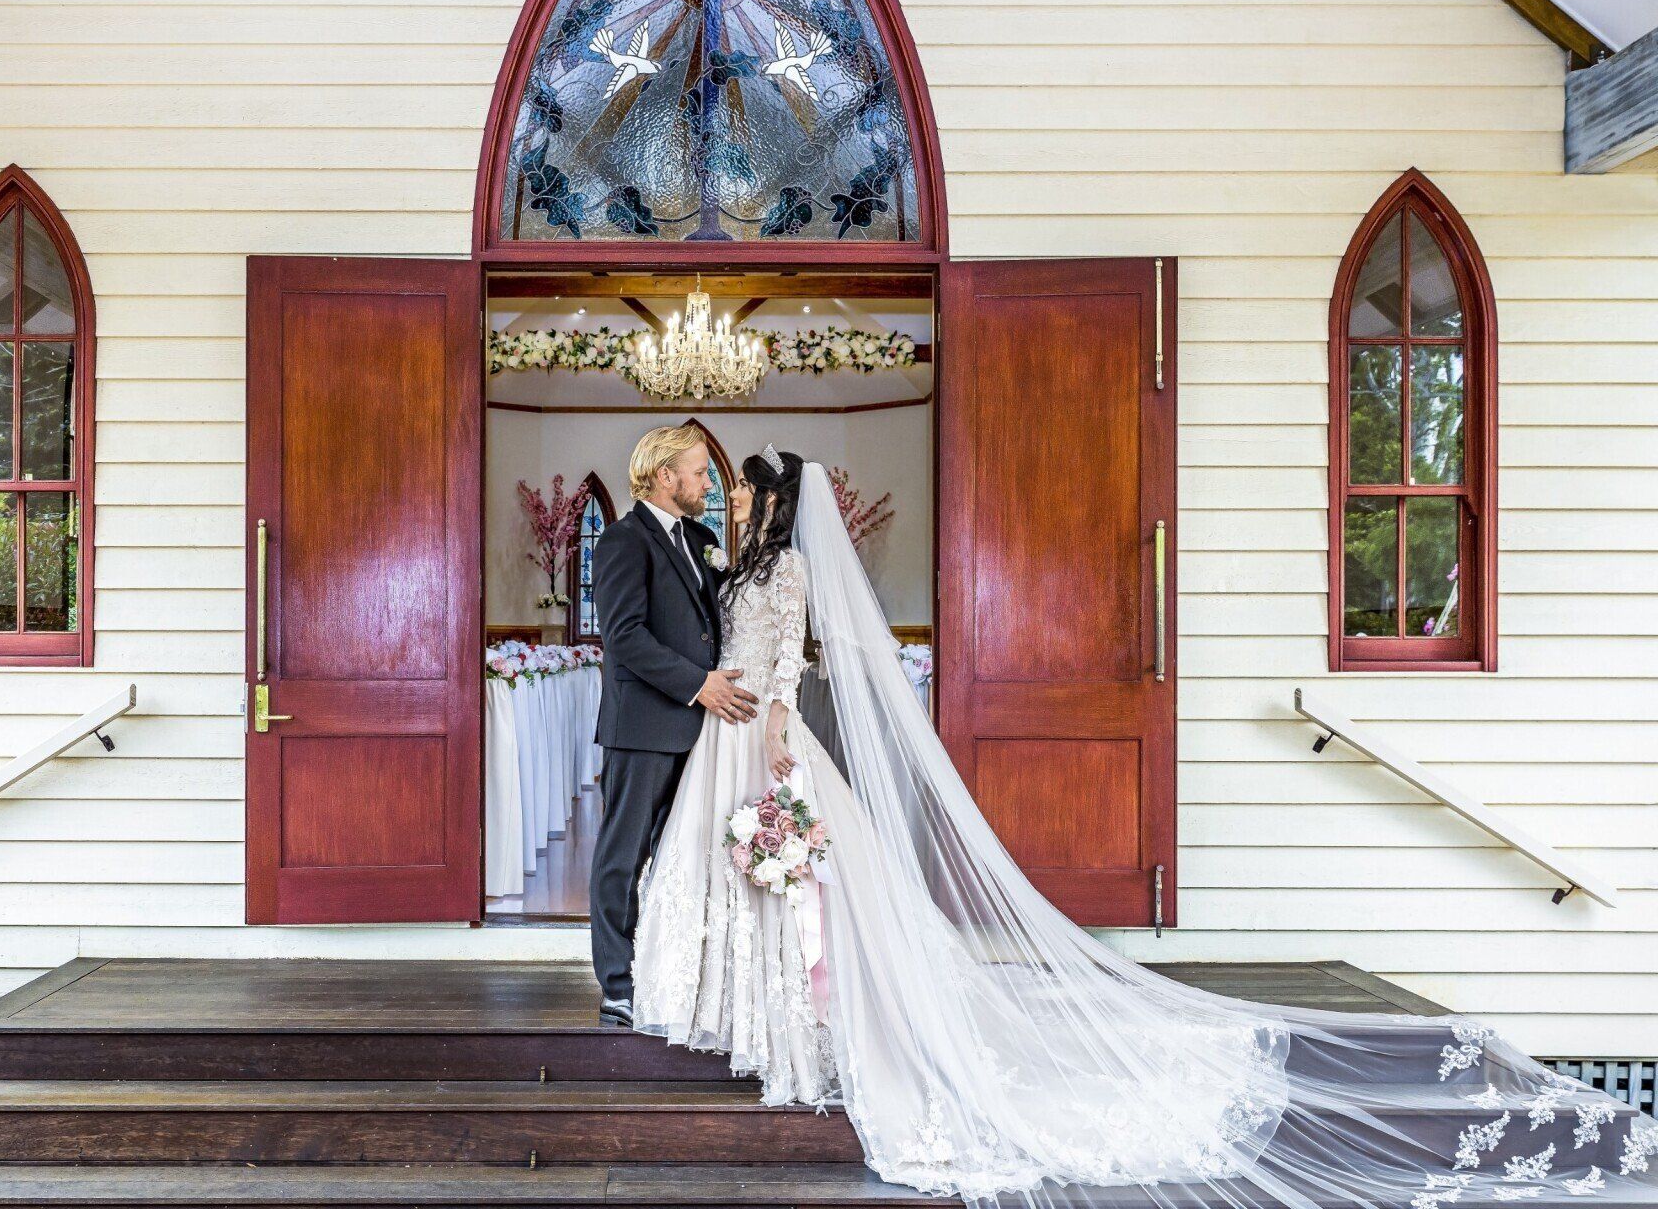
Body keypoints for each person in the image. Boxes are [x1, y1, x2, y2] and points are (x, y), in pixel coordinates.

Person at [631, 445, 1658, 1209]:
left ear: (777, 500)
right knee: (753, 879)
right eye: (725, 486)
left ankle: (800, 1026)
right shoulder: (734, 557)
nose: (733, 496)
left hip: (757, 731)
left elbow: (788, 661)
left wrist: (772, 731)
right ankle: (742, 1010)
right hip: (722, 725)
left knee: (801, 878)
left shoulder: (788, 570)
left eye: (746, 488)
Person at [587, 423, 758, 1028]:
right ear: (665, 476)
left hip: (700, 734)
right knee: (623, 856)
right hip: (642, 729)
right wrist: (698, 683)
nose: (707, 481)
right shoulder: (621, 541)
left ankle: (668, 971)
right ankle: (617, 983)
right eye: (698, 470)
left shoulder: (699, 536)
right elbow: (625, 636)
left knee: (682, 858)